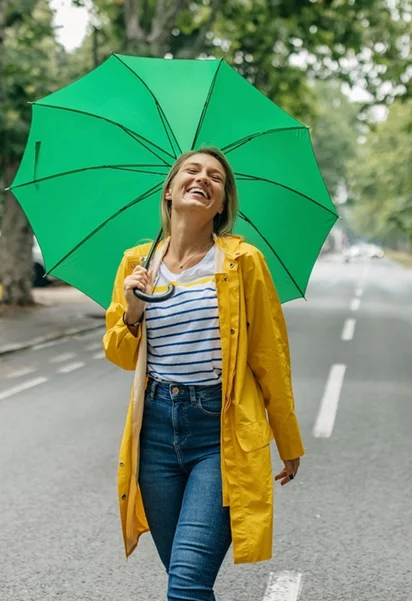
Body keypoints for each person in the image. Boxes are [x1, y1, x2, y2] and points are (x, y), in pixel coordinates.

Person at [102, 147, 305, 601]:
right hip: (153, 432)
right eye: (191, 171)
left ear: (221, 203)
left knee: (187, 585)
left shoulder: (241, 261)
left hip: (220, 431)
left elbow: (271, 356)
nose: (203, 179)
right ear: (170, 191)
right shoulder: (137, 263)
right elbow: (118, 352)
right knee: (184, 580)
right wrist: (133, 310)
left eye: (215, 177)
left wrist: (287, 440)